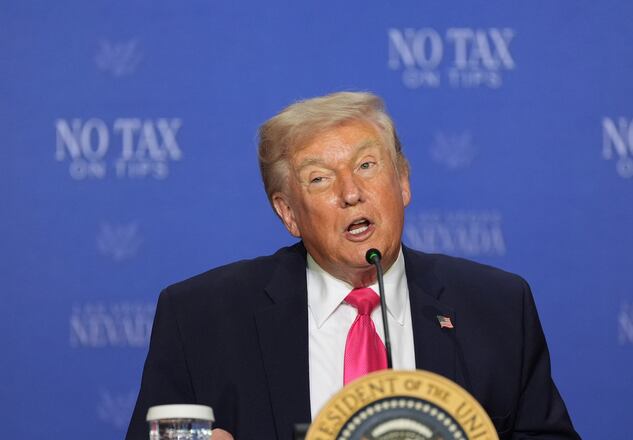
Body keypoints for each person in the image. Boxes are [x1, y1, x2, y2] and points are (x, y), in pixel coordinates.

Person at [126, 92, 581, 440]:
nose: (350, 192)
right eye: (319, 178)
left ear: (402, 181)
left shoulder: (497, 307)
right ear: (288, 213)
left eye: (367, 165)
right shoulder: (201, 318)